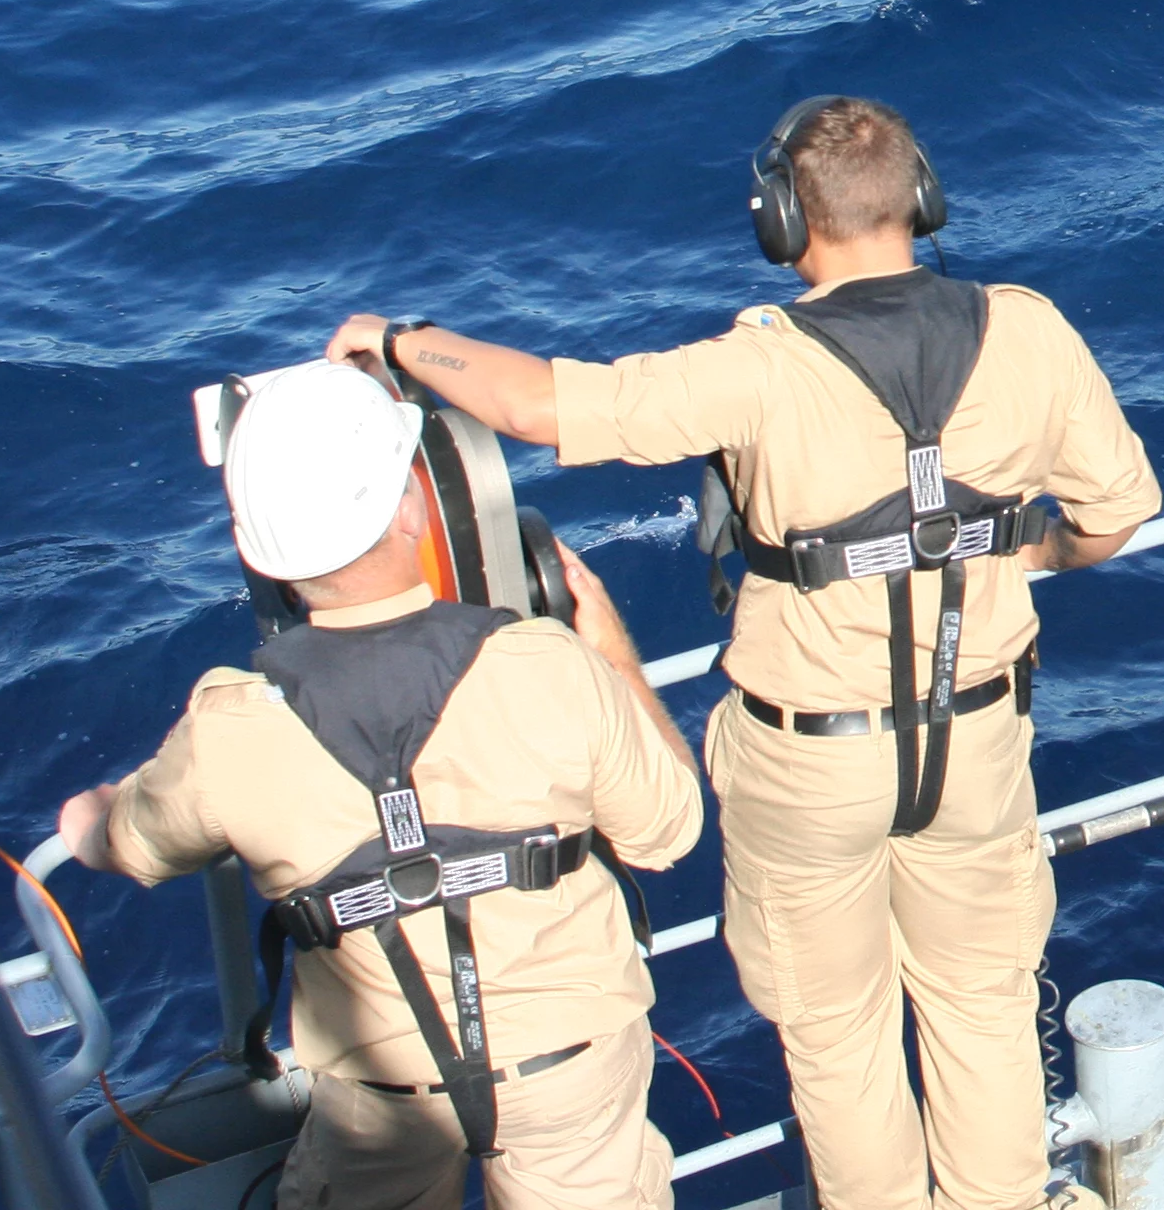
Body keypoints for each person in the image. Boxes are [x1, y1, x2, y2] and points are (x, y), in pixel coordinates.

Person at [320, 94, 1160, 1210]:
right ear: (921, 198)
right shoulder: (1029, 329)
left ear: (783, 223)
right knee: (983, 1011)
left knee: (840, 1042)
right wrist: (1030, 557)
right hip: (978, 740)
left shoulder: (758, 367)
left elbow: (542, 407)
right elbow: (1118, 512)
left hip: (808, 763)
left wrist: (396, 341)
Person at [59, 359, 704, 1209]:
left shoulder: (232, 727)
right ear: (410, 509)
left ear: (255, 547)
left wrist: (87, 817)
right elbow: (670, 828)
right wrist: (611, 650)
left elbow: (127, 844)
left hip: (381, 1102)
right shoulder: (547, 665)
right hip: (571, 1069)